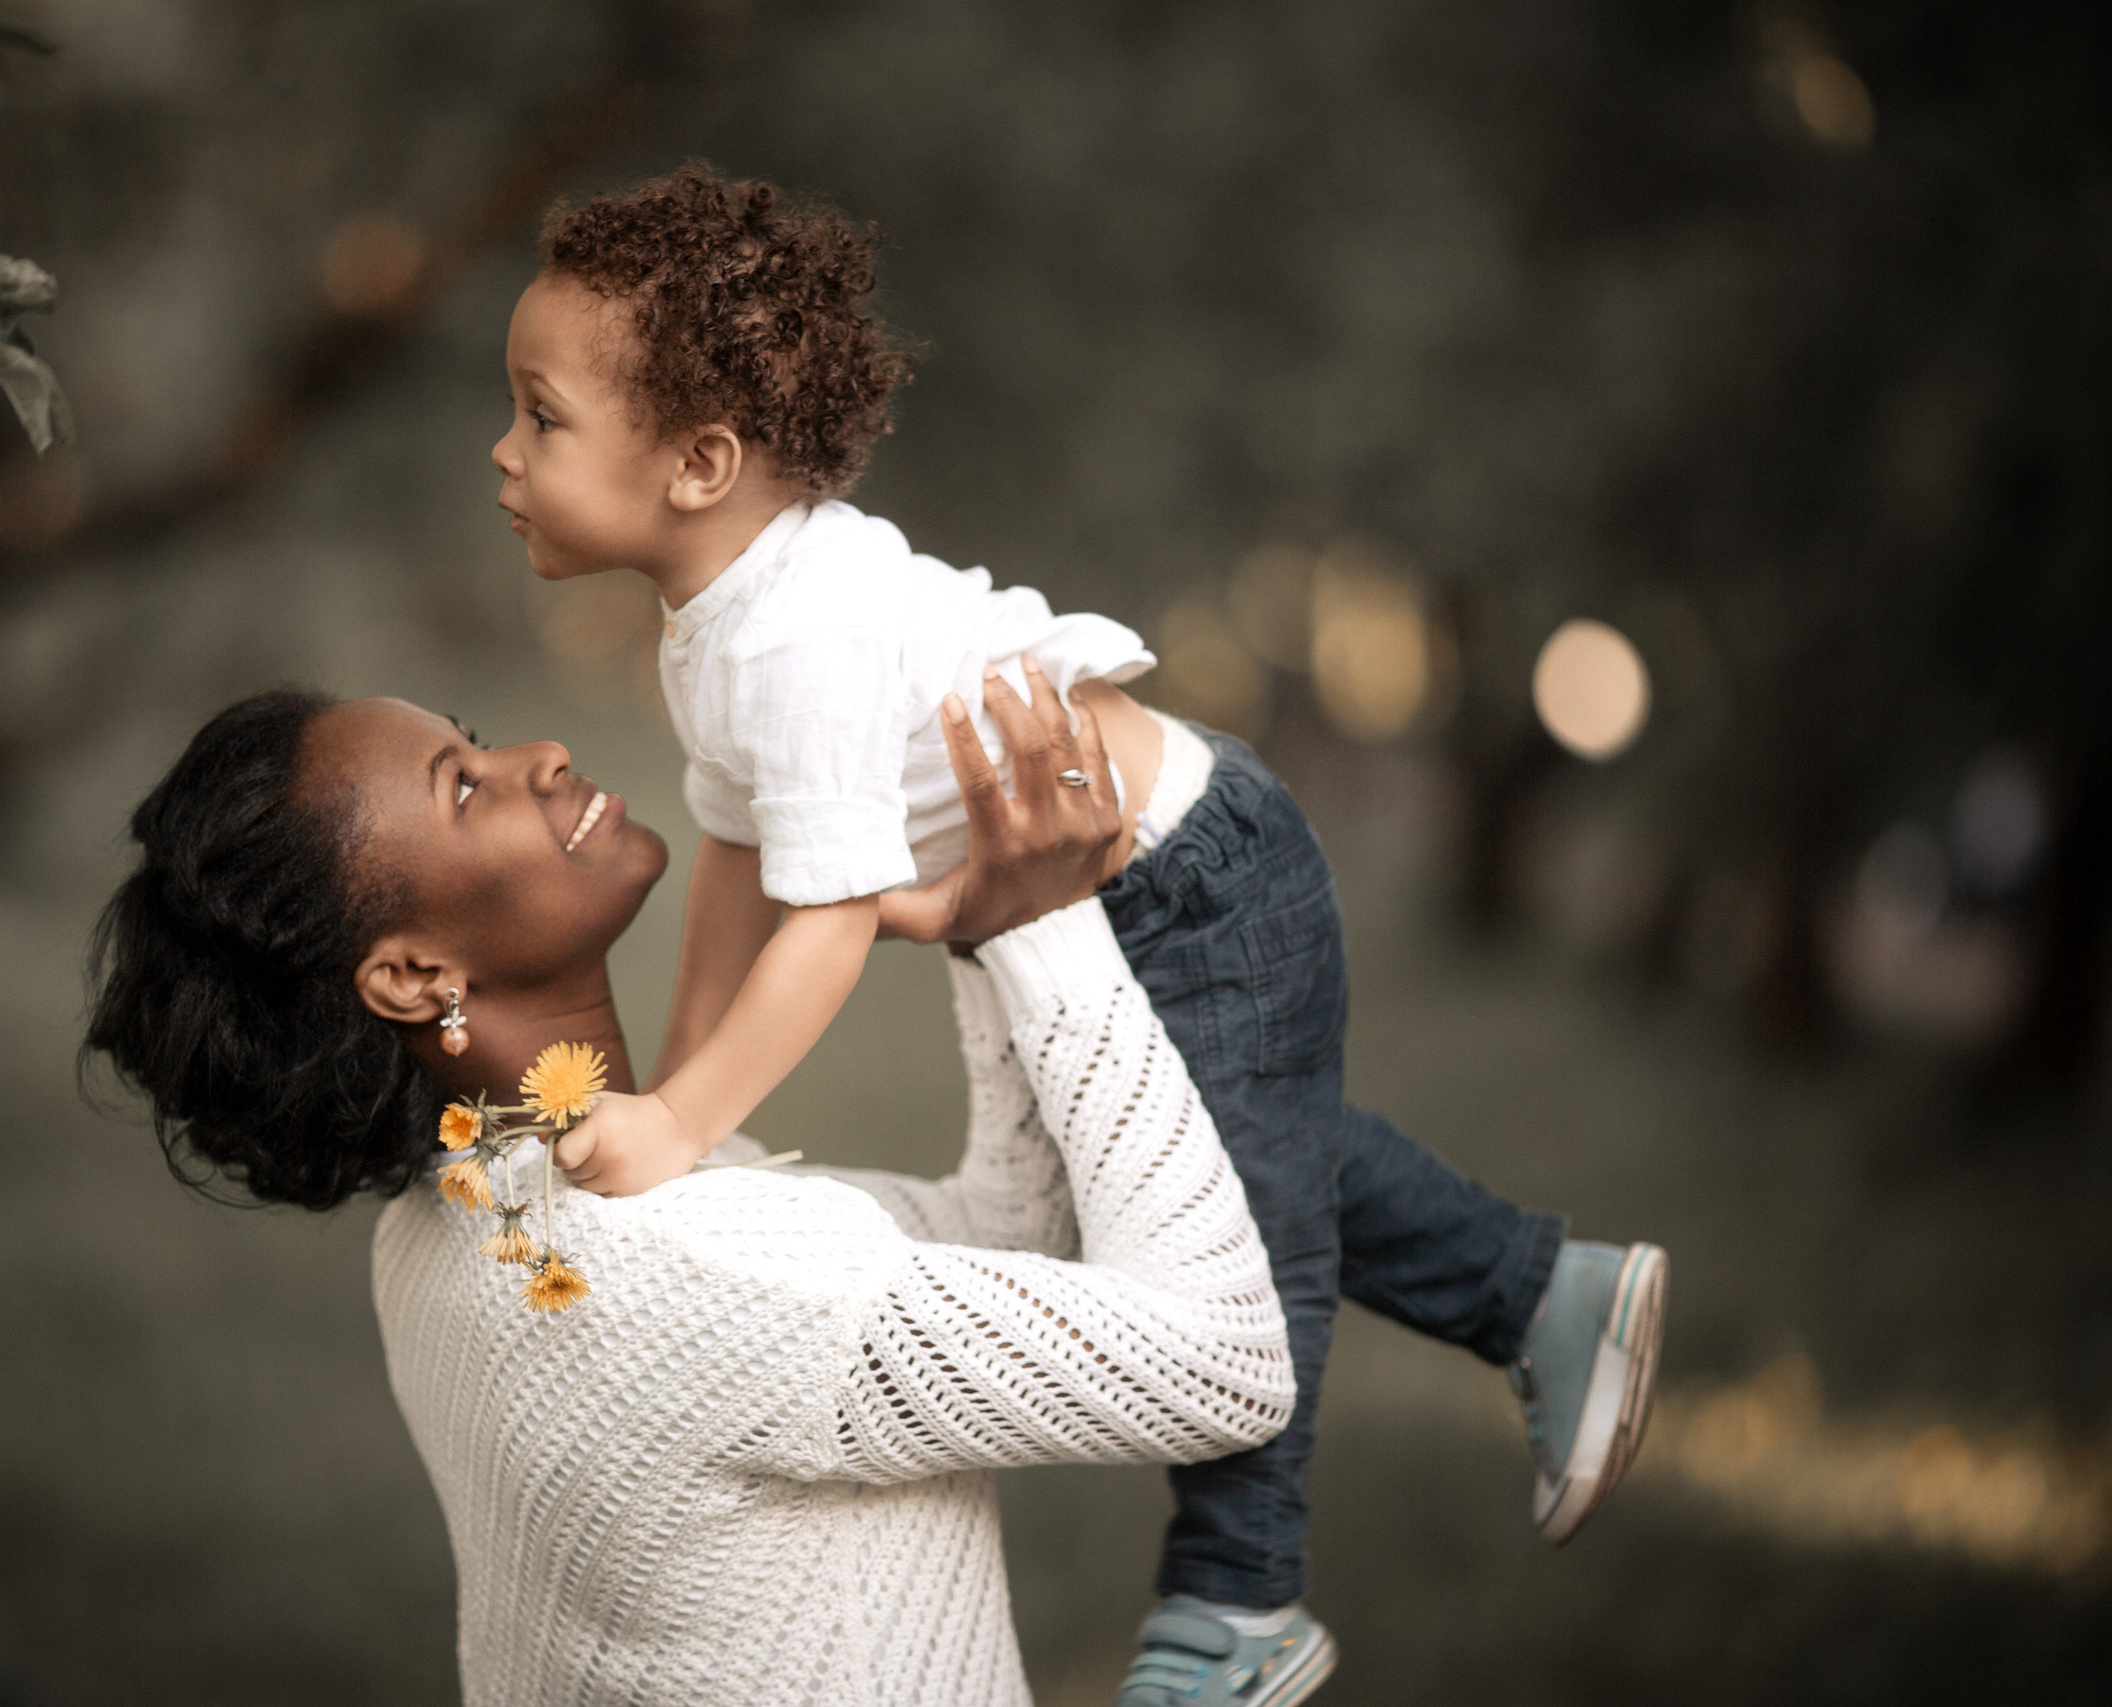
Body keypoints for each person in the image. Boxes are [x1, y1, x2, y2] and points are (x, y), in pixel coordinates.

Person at [486, 163, 1668, 1704]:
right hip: (1106, 881)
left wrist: (686, 1117)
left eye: (539, 416)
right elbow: (739, 855)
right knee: (1266, 1144)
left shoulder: (795, 640)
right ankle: (1541, 1290)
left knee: (1247, 1210)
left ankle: (1239, 1603)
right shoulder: (711, 622)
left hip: (1190, 869)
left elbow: (830, 921)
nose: (502, 454)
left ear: (700, 459)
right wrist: (689, 1115)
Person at [83, 675, 1298, 1706]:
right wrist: (1052, 928)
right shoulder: (664, 1258)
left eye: (473, 738)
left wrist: (989, 938)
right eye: (464, 786)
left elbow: (1007, 1241)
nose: (538, 757)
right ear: (410, 976)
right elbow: (1226, 1367)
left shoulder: (467, 1222)